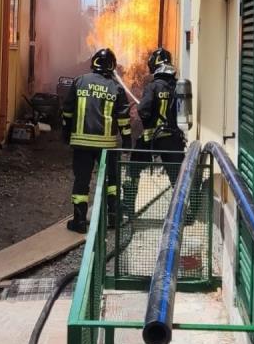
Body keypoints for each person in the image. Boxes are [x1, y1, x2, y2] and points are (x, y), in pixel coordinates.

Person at [62, 48, 132, 233]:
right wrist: (127, 140)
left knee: (81, 181)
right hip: (107, 146)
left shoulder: (80, 81)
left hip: (82, 143)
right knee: (112, 181)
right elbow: (124, 118)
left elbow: (67, 111)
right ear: (112, 66)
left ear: (93, 63)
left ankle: (79, 221)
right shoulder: (116, 87)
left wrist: (65, 133)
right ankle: (113, 218)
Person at [124, 47, 186, 216]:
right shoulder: (177, 87)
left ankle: (127, 207)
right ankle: (183, 214)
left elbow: (144, 110)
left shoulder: (152, 87)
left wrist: (145, 117)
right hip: (174, 140)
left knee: (133, 169)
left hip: (152, 138)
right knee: (178, 178)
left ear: (155, 65)